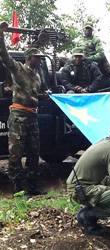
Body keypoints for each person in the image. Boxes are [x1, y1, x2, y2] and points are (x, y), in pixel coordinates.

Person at [0, 22, 46, 195]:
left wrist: (44, 95)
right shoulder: (18, 69)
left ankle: (32, 187)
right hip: (19, 116)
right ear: (29, 58)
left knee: (34, 154)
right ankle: (18, 188)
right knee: (15, 155)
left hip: (32, 117)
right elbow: (4, 56)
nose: (40, 60)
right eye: (37, 57)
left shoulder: (37, 75)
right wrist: (1, 35)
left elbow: (36, 94)